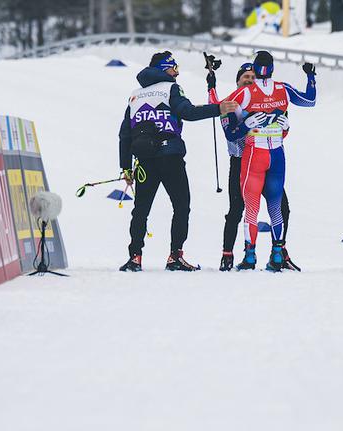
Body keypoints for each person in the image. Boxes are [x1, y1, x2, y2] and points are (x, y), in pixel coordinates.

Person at [117, 51, 239, 272]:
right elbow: (188, 112)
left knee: (141, 209)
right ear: (165, 69)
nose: (177, 72)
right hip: (170, 156)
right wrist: (218, 109)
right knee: (181, 206)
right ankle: (175, 256)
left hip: (143, 161)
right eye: (174, 68)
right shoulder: (170, 88)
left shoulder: (135, 95)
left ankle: (134, 257)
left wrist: (125, 167)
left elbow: (125, 134)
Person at [223, 50, 316, 272]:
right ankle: (276, 255)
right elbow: (310, 100)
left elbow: (223, 114)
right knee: (276, 206)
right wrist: (311, 77)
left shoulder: (246, 92)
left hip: (254, 153)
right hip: (277, 154)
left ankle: (250, 257)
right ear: (272, 68)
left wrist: (245, 124)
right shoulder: (283, 88)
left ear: (254, 69)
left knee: (251, 208)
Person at [205, 55, 295, 272]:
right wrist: (211, 82)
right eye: (245, 77)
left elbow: (282, 130)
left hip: (267, 159)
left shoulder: (267, 98)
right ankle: (228, 255)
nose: (249, 80)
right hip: (240, 162)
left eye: (252, 76)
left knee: (282, 207)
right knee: (237, 209)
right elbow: (227, 129)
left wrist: (285, 127)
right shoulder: (234, 102)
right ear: (238, 82)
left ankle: (280, 253)